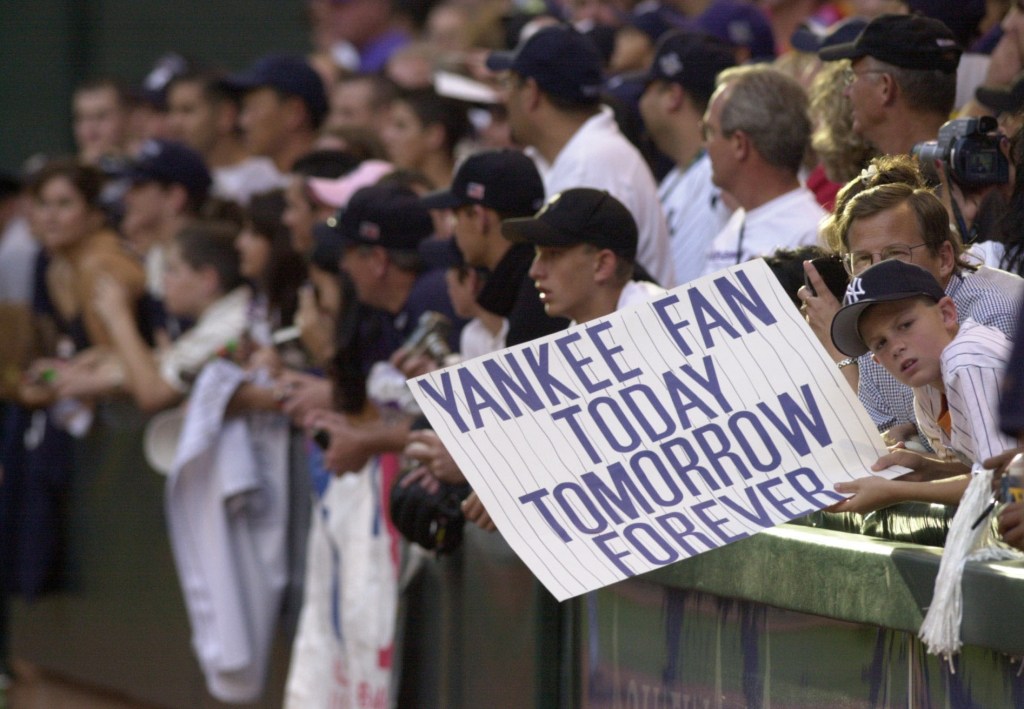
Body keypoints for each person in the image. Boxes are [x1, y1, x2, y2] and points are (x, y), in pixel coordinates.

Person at [800, 181, 1023, 449]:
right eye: (862, 259)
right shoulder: (877, 324)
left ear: (943, 258)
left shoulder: (988, 323)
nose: (878, 271)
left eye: (895, 254)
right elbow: (882, 436)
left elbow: (1004, 475)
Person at [486, 24, 675, 287]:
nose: (505, 99)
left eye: (508, 83)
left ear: (531, 93)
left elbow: (587, 294)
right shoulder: (587, 153)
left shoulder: (589, 168)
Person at [826, 259, 1016, 512]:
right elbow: (983, 469)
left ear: (946, 313)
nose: (896, 347)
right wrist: (928, 467)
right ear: (877, 360)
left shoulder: (967, 358)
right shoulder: (927, 386)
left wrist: (899, 491)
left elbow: (1009, 480)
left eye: (905, 325)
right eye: (880, 343)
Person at [91, 221, 250, 413]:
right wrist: (94, 367)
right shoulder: (219, 317)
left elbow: (153, 394)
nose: (164, 280)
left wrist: (119, 318)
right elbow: (162, 366)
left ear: (208, 280)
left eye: (172, 270)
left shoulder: (227, 326)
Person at [419, 148, 567, 348]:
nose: (454, 229)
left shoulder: (537, 290)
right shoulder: (522, 281)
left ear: (479, 217)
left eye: (456, 215)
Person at [700, 65, 826, 276]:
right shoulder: (739, 219)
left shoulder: (812, 234)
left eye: (709, 132)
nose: (706, 145)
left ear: (740, 144)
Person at [639, 30, 735, 284]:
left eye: (647, 88)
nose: (641, 101)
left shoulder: (713, 176)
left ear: (673, 96)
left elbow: (689, 286)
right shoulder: (681, 174)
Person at [818, 13, 961, 156]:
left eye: (852, 77)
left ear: (885, 87)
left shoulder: (904, 177)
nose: (846, 92)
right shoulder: (971, 173)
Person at [165, 70, 285, 205]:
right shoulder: (173, 183)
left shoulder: (269, 179)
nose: (174, 123)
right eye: (171, 111)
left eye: (187, 111)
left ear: (225, 115)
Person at [223, 54, 329, 174]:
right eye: (244, 110)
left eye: (253, 108)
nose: (243, 122)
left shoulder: (329, 184)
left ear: (295, 113)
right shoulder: (254, 184)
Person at [72, 78, 131, 166]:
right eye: (81, 118)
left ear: (125, 116)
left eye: (101, 116)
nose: (90, 126)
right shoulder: (55, 174)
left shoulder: (148, 168)